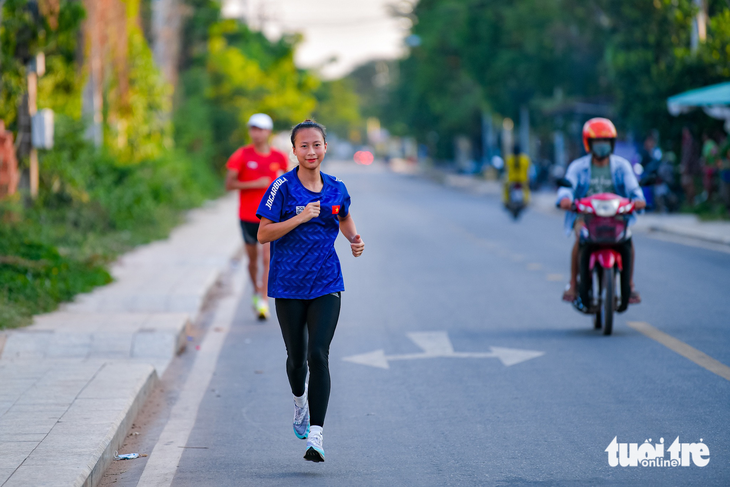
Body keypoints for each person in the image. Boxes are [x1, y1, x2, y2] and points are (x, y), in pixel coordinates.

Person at [257, 119, 364, 463]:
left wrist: (353, 239)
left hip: (326, 282)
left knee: (319, 354)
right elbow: (263, 233)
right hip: (288, 285)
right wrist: (300, 218)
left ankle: (316, 436)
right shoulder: (282, 187)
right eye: (303, 146)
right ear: (294, 151)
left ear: (325, 148)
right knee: (297, 359)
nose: (311, 151)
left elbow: (343, 215)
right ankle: (298, 400)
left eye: (316, 144)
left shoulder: (336, 187)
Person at [558, 118, 646, 308]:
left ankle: (629, 285)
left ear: (612, 144)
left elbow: (634, 190)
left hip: (616, 217)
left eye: (606, 143)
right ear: (588, 144)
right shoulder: (578, 166)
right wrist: (565, 199)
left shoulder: (622, 166)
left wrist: (638, 200)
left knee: (627, 240)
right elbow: (567, 188)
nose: (602, 147)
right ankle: (573, 284)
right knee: (579, 239)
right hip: (587, 217)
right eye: (598, 143)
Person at [225, 113, 287, 320]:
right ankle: (256, 289)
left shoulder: (279, 157)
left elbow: (290, 184)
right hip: (247, 217)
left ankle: (263, 299)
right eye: (253, 129)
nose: (256, 133)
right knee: (252, 261)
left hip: (270, 218)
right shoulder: (241, 155)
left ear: (268, 132)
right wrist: (254, 184)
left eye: (260, 129)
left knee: (268, 258)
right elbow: (229, 184)